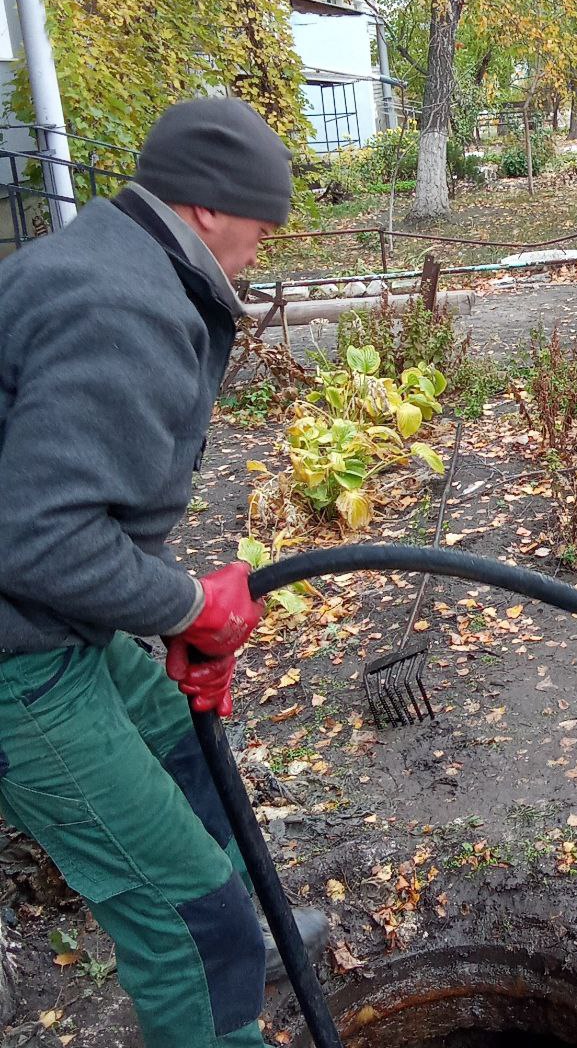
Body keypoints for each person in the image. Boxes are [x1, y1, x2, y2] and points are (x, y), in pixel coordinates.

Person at [0, 98, 327, 1048]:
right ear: (207, 209)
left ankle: (234, 929)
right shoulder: (122, 303)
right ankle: (219, 956)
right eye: (262, 228)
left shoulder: (105, 261)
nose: (261, 252)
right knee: (196, 930)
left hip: (47, 627)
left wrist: (163, 604)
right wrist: (188, 603)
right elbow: (40, 541)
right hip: (18, 664)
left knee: (191, 760)